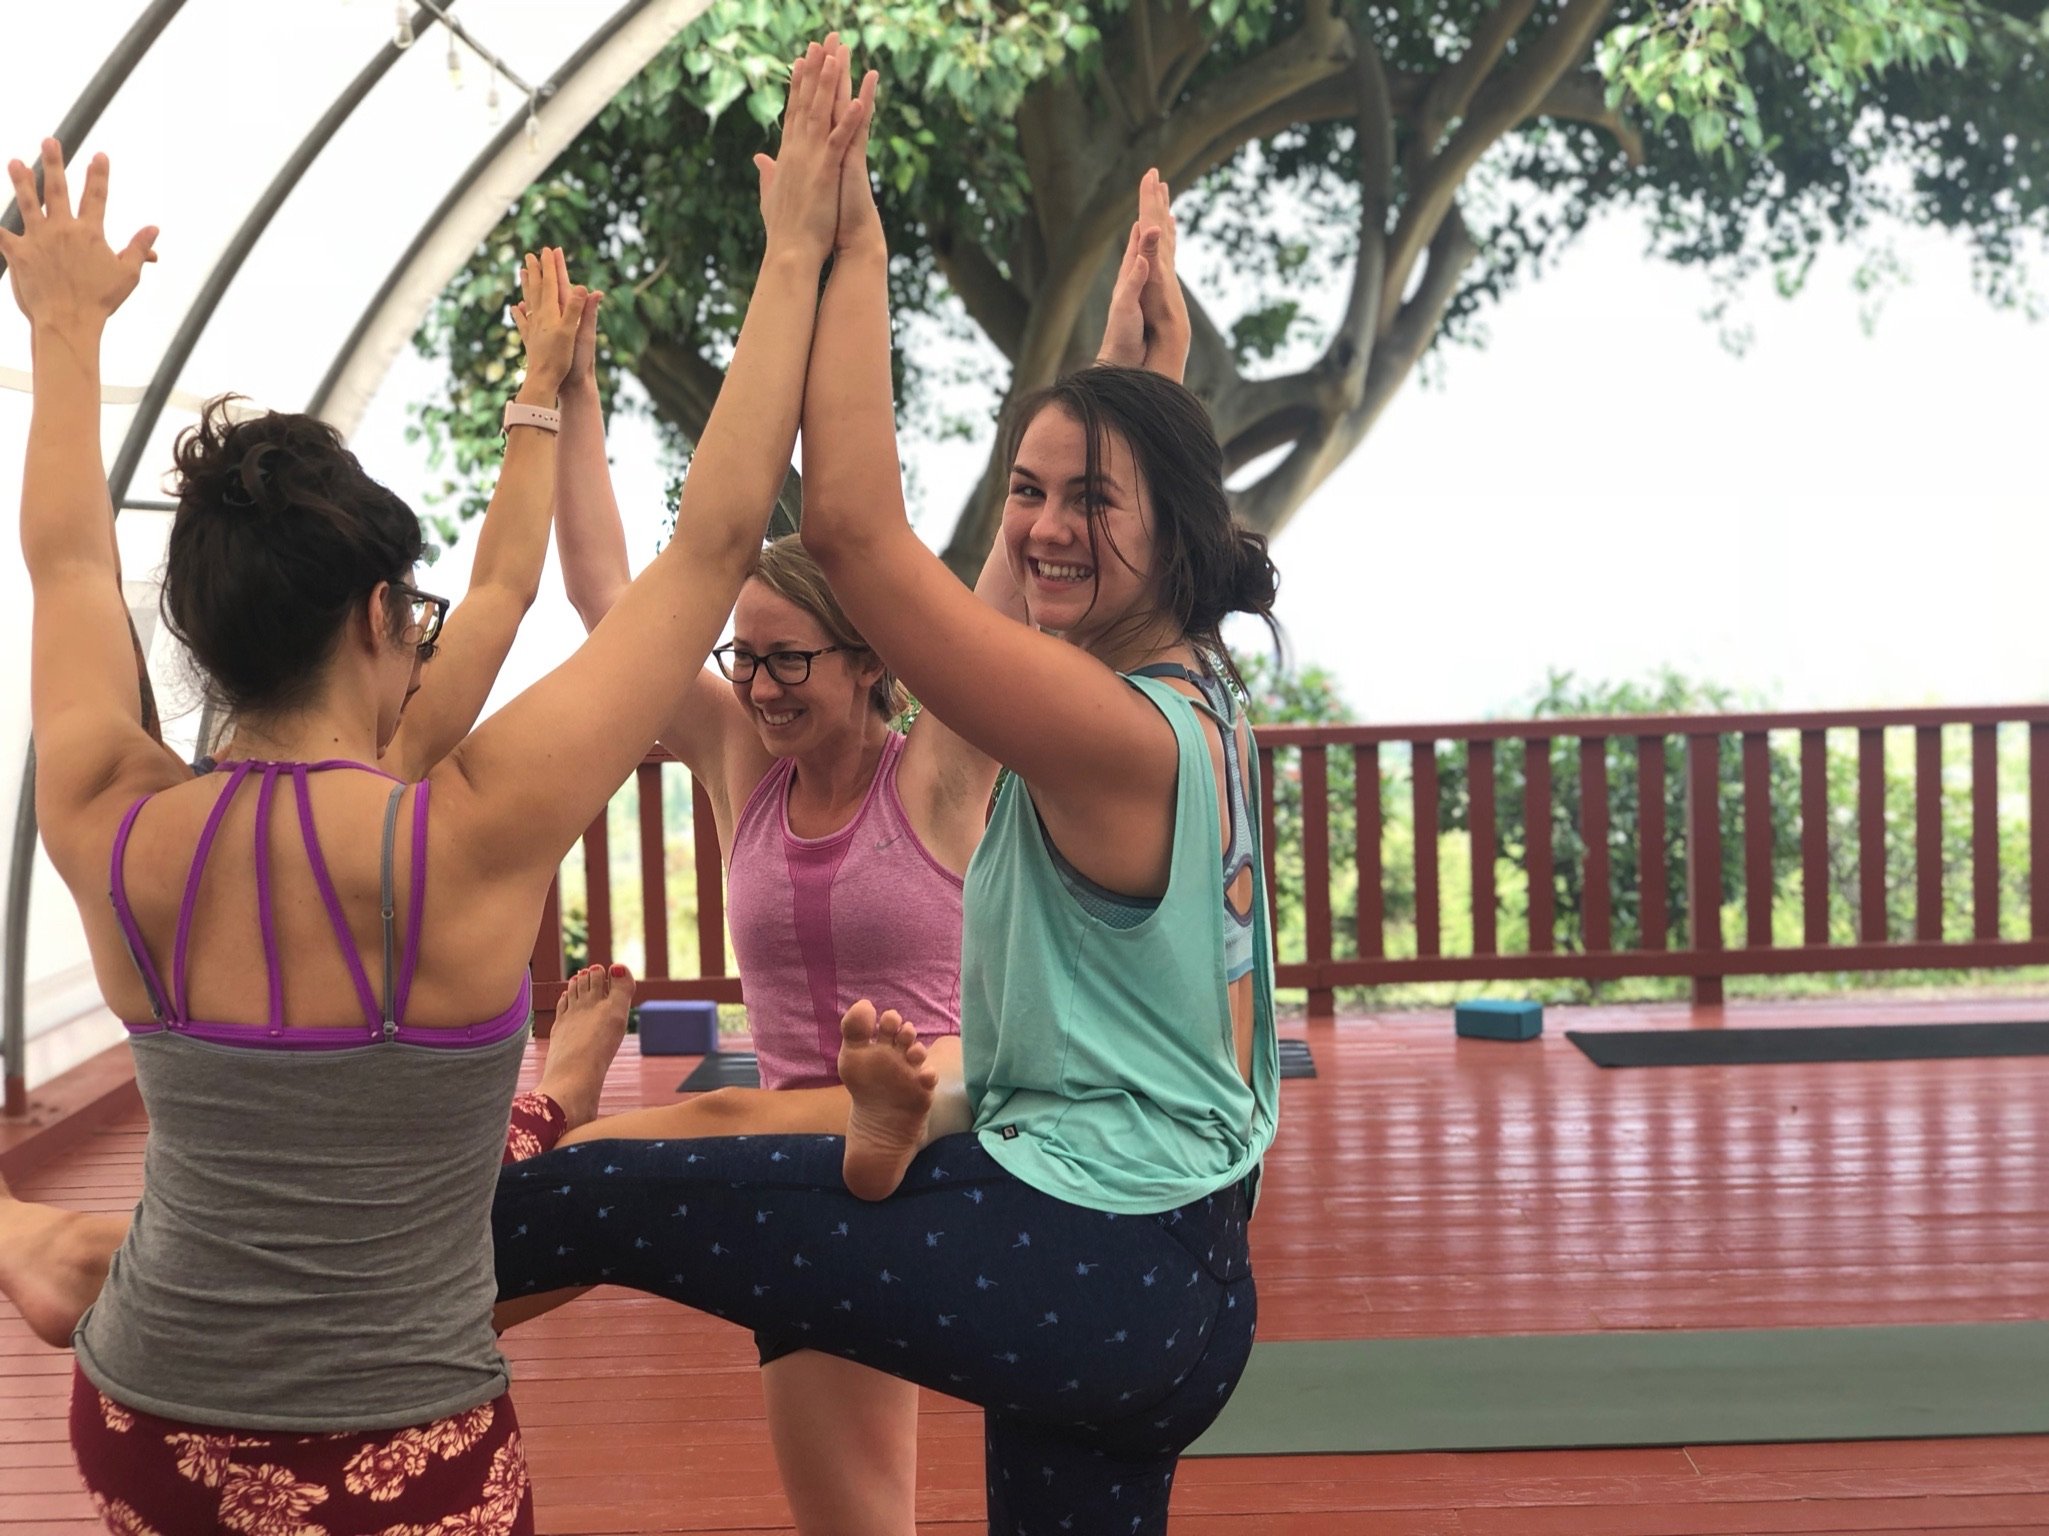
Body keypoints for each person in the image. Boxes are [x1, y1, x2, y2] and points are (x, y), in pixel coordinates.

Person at [0, 55, 910, 1531]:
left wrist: (59, 332)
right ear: (377, 615)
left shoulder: (109, 814)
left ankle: (55, 1256)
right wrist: (798, 245)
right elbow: (712, 543)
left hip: (145, 1419)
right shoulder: (467, 828)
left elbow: (61, 560)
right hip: (393, 1455)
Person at [486, 37, 1282, 1536]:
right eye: (1028, 489)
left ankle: (224, 1295)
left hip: (1080, 1255)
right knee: (688, 1159)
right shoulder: (1198, 702)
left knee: (573, 1204)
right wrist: (1132, 374)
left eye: (1083, 500)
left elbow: (855, 530)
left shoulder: (1089, 727)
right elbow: (649, 598)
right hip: (1152, 1274)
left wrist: (846, 249)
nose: (1042, 528)